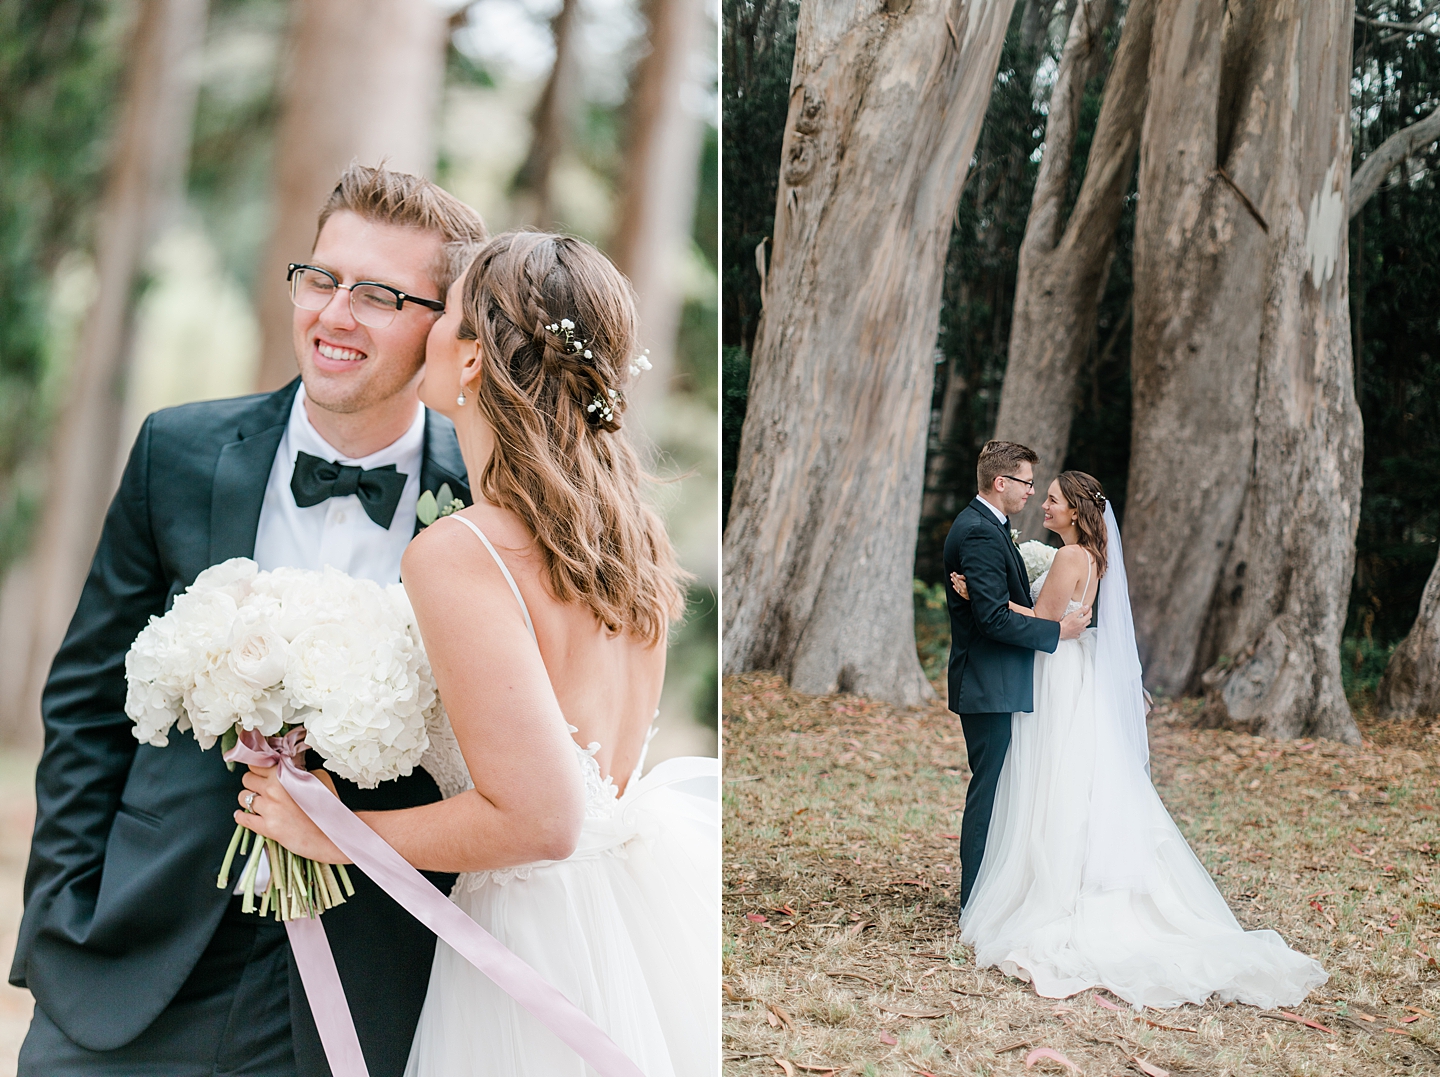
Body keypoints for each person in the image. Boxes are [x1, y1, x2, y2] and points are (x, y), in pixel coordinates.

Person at [11, 164, 486, 1077]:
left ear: (444, 325)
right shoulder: (177, 451)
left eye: (380, 294)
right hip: (136, 951)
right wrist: (61, 912)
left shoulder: (481, 498)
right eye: (322, 278)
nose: (335, 316)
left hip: (366, 979)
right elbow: (84, 701)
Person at [236, 231, 719, 1075]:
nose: (425, 330)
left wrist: (333, 834)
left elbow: (541, 816)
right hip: (622, 919)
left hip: (527, 938)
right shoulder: (626, 536)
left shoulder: (463, 551)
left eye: (446, 316)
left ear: (470, 363)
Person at [951, 470, 1327, 1007]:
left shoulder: (1068, 558)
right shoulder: (1094, 559)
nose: (1045, 507)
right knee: (1079, 778)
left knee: (1054, 779)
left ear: (1077, 513)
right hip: (1073, 670)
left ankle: (1051, 888)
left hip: (1056, 674)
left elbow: (1046, 620)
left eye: (1053, 500)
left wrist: (987, 599)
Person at [942, 441, 1093, 908]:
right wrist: (1055, 631)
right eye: (1027, 483)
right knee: (991, 791)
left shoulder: (989, 527)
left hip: (1002, 679)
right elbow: (992, 619)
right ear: (1001, 482)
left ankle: (993, 892)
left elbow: (996, 607)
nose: (1032, 493)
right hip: (989, 682)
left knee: (1004, 789)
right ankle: (975, 901)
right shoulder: (981, 533)